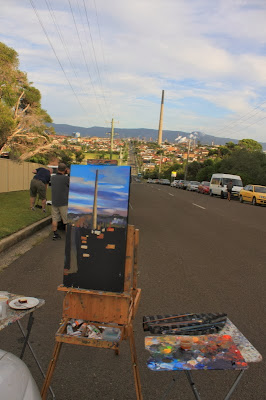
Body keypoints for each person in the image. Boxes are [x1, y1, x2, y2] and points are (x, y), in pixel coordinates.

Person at [51, 163, 70, 240]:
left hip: (54, 201)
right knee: (66, 220)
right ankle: (68, 236)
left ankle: (55, 234)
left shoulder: (52, 177)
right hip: (64, 202)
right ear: (65, 169)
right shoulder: (66, 178)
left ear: (58, 168)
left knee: (55, 219)